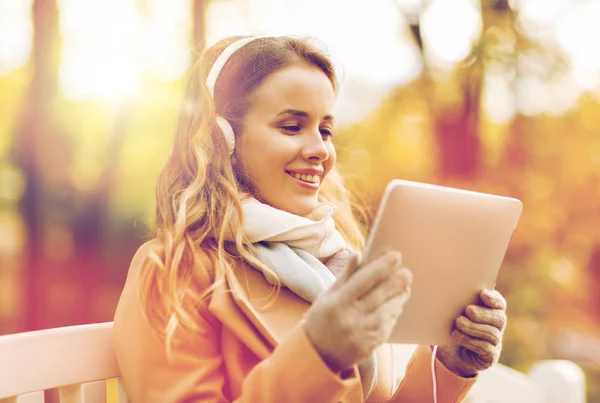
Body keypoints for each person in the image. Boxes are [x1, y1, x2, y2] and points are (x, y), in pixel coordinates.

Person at [113, 35, 508, 403]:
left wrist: (450, 364)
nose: (320, 150)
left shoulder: (336, 258)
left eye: (325, 129)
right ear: (223, 140)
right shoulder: (173, 269)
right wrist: (318, 353)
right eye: (291, 126)